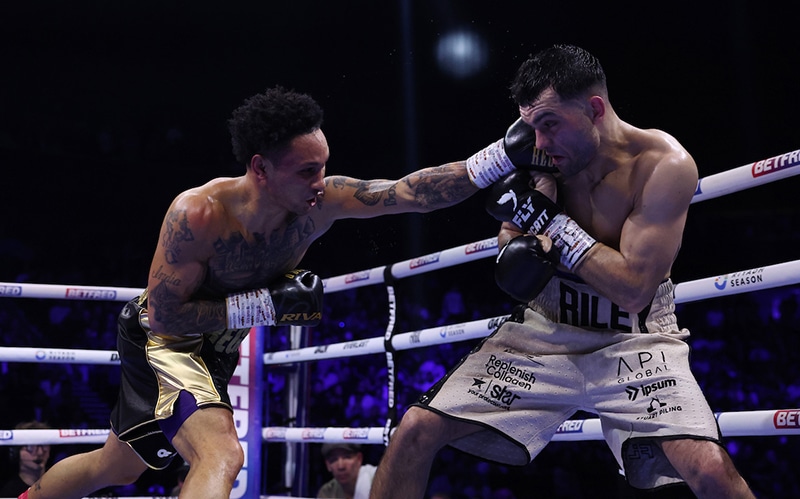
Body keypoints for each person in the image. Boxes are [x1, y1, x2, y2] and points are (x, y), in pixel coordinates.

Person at [19, 86, 523, 499]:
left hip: (216, 351)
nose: (321, 183)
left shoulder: (320, 204)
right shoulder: (198, 215)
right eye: (307, 171)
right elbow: (166, 318)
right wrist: (263, 305)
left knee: (118, 466)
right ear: (260, 169)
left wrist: (500, 155)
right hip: (163, 344)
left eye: (324, 166)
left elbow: (411, 193)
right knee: (223, 455)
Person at [369, 45, 756, 498]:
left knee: (710, 469)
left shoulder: (663, 165)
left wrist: (551, 225)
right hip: (544, 331)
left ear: (594, 108)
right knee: (413, 429)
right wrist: (524, 240)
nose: (539, 142)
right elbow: (510, 245)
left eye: (549, 124)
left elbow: (633, 289)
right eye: (531, 126)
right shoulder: (542, 153)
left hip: (633, 338)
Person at [0, 422, 51, 497]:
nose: (40, 452)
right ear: (17, 452)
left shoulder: (60, 480)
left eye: (44, 445)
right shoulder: (9, 493)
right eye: (31, 447)